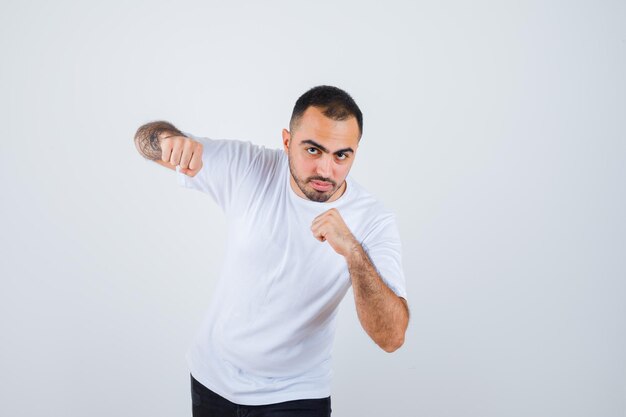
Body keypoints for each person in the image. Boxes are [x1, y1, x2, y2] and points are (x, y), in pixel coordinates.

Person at [134, 85, 409, 417]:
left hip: (296, 395)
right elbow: (145, 140)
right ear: (287, 141)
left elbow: (392, 337)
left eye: (341, 155)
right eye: (313, 150)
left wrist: (353, 251)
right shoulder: (249, 167)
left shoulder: (372, 220)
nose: (326, 170)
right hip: (212, 380)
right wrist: (167, 141)